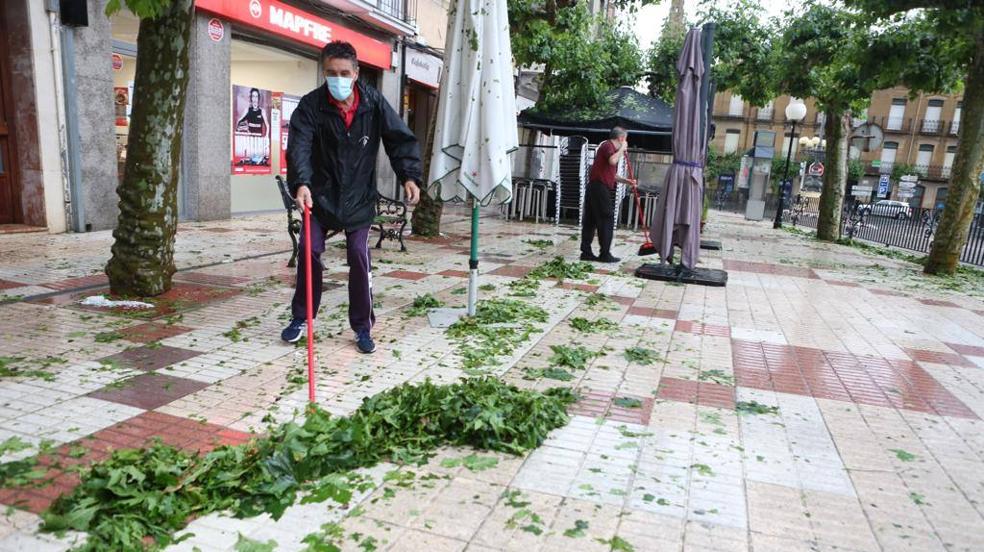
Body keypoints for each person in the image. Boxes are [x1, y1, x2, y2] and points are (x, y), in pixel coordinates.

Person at [281, 41, 422, 354]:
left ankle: (362, 327)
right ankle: (301, 318)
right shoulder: (311, 106)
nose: (338, 78)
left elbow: (399, 139)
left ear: (356, 73)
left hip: (358, 197)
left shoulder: (373, 103)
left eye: (344, 72)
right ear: (324, 72)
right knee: (309, 250)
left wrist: (409, 176)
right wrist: (301, 183)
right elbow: (299, 147)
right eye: (331, 72)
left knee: (359, 256)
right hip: (320, 197)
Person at [580, 127, 637, 263]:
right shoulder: (608, 146)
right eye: (625, 140)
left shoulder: (608, 149)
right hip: (598, 187)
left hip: (595, 186)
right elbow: (613, 161)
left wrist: (627, 181)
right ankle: (605, 253)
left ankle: (586, 252)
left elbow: (611, 173)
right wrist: (623, 149)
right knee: (607, 217)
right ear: (621, 138)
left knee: (591, 219)